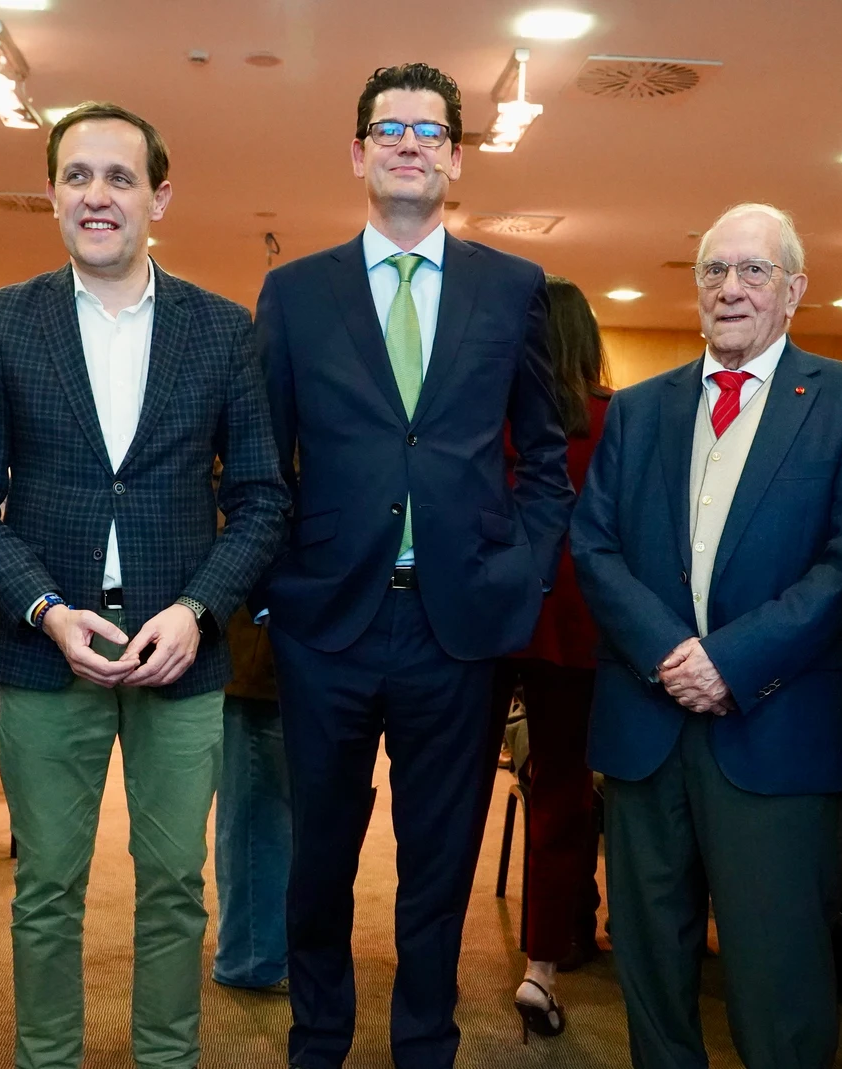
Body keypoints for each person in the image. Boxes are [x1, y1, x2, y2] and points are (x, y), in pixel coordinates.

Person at [0, 101, 287, 1069]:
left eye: (120, 177)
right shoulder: (4, 321)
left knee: (175, 883)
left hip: (182, 650)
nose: (98, 195)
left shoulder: (221, 330)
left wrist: (196, 608)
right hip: (48, 649)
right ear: (51, 193)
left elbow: (261, 496)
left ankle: (165, 1059)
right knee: (47, 883)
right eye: (78, 175)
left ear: (158, 196)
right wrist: (43, 609)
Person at [253, 62, 573, 1069]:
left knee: (439, 867)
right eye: (387, 129)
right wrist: (277, 585)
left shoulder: (513, 288)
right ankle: (318, 1041)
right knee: (320, 863)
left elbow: (547, 452)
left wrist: (518, 570)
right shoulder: (294, 293)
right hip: (327, 625)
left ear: (456, 157)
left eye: (428, 132)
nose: (407, 144)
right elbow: (263, 458)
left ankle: (423, 1045)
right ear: (357, 151)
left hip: (458, 627)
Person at [571, 202, 842, 1069]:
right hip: (647, 732)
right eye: (714, 270)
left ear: (794, 291)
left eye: (754, 271)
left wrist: (728, 661)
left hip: (779, 734)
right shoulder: (639, 411)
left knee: (779, 978)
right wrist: (667, 656)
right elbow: (593, 545)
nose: (730, 288)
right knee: (649, 969)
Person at [487, 275, 614, 1036]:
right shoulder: (615, 416)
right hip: (581, 621)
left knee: (453, 781)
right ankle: (543, 963)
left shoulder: (498, 418)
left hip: (497, 610)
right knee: (563, 787)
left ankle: (426, 945)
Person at [212, 603, 291, 994]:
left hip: (333, 643)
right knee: (259, 808)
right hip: (260, 649)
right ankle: (252, 957)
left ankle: (270, 951)